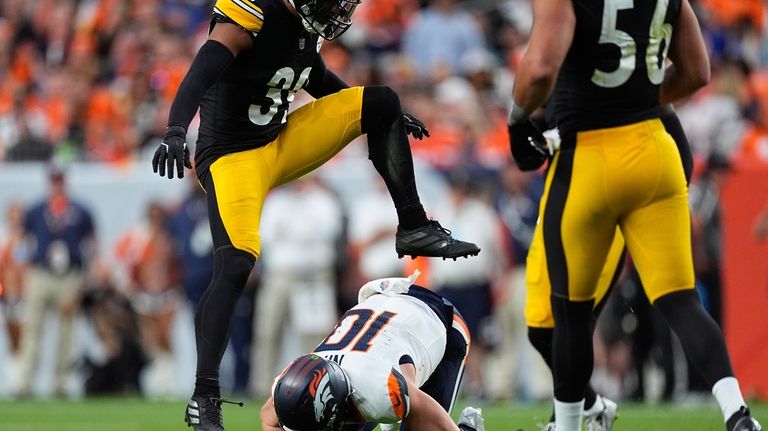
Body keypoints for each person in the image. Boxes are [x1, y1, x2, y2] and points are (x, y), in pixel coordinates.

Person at [150, 0, 480, 428]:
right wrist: (176, 129)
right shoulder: (253, 12)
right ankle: (204, 396)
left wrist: (387, 117)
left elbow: (317, 78)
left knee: (380, 101)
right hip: (233, 156)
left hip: (278, 140)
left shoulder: (307, 24)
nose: (338, 5)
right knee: (235, 262)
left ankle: (414, 227)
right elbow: (202, 69)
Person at [507, 0, 762, 430]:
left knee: (568, 313)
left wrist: (517, 120)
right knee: (681, 300)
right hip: (655, 147)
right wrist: (633, 98)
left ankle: (568, 425)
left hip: (589, 157)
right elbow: (698, 72)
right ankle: (737, 414)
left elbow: (539, 69)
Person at [524, 107, 695, 430]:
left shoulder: (628, 90)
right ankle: (590, 404)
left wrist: (667, 205)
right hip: (564, 209)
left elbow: (676, 132)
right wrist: (528, 125)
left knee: (573, 321)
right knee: (539, 329)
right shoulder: (562, 90)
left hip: (604, 214)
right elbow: (530, 150)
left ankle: (566, 419)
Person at [258, 271, 484, 431]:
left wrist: (396, 407)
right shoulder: (287, 388)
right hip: (380, 309)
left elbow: (412, 396)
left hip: (440, 321)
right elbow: (269, 419)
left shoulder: (376, 389)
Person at [17, 166, 96, 397]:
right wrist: (23, 272)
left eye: (60, 182)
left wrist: (85, 279)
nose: (58, 186)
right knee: (32, 329)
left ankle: (60, 384)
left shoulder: (80, 211)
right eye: (54, 182)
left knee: (67, 332)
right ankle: (25, 382)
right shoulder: (35, 211)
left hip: (69, 275)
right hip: (41, 273)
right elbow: (22, 243)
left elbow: (91, 245)